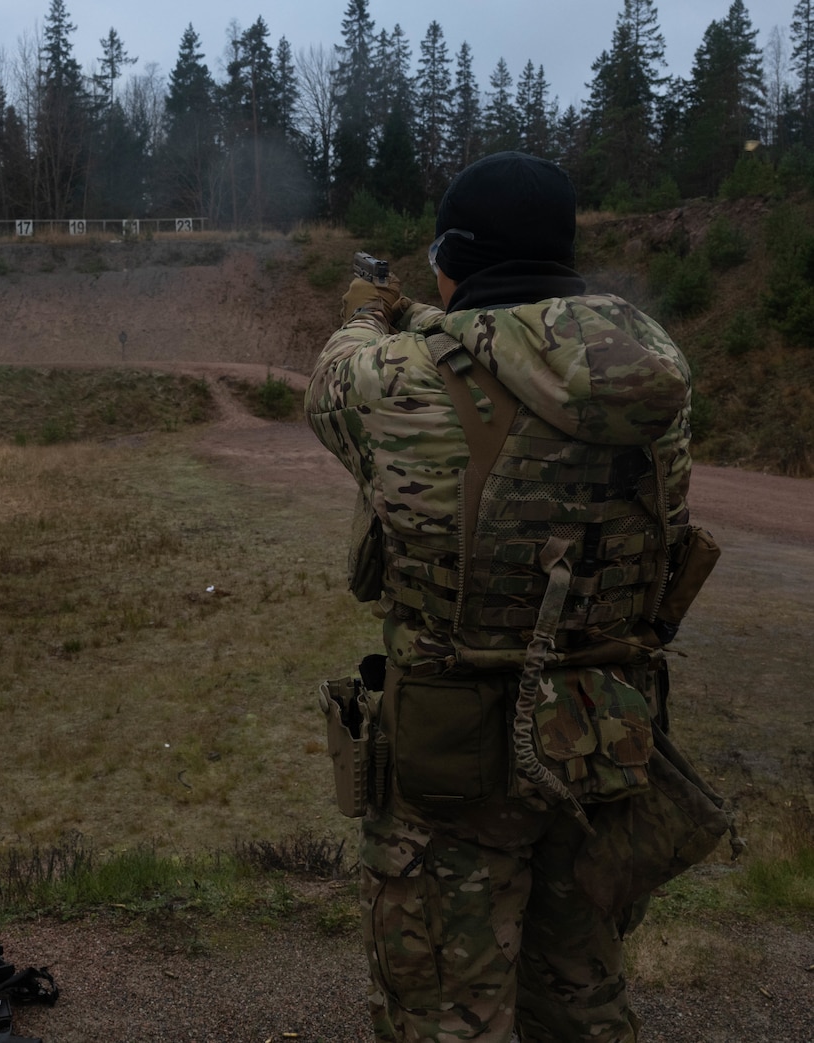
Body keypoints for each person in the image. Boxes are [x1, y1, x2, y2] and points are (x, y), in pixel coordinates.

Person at [306, 152, 732, 1042]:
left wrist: (368, 309)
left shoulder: (394, 379)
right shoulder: (653, 371)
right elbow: (516, 347)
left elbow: (333, 378)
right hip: (600, 741)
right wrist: (431, 314)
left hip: (453, 762)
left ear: (455, 258)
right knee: (579, 995)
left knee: (446, 1012)